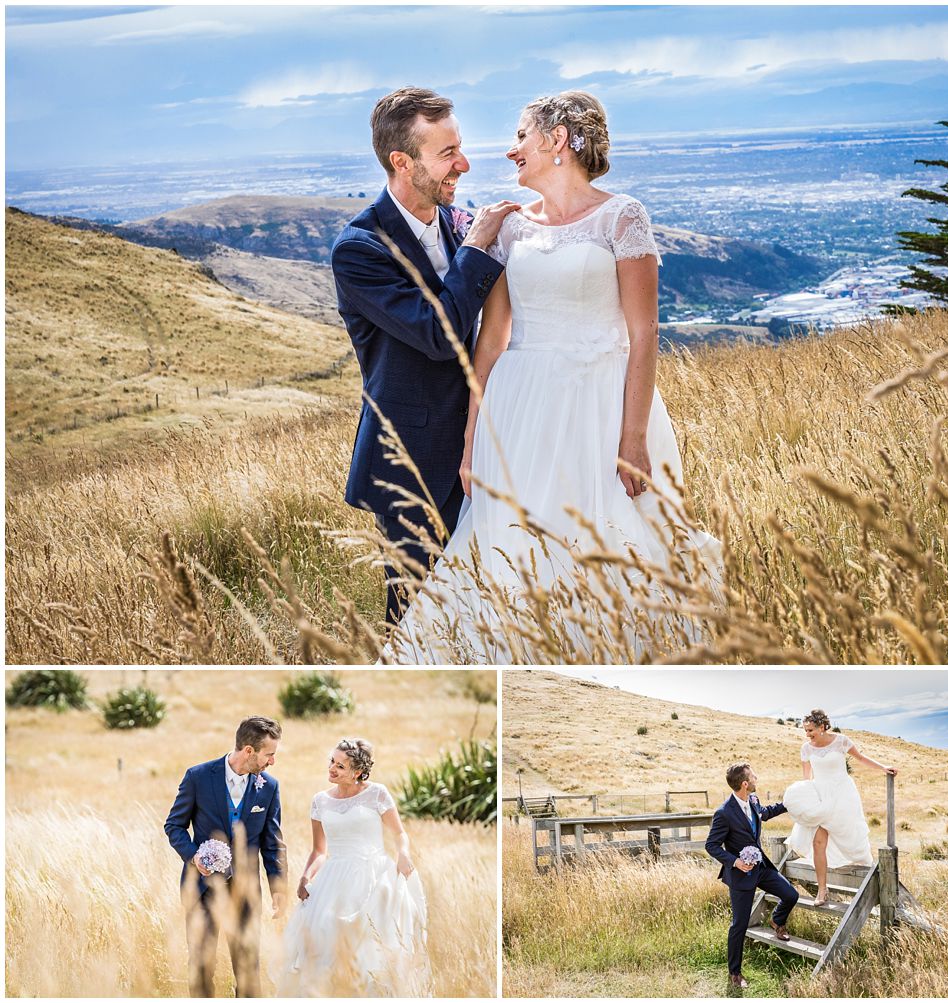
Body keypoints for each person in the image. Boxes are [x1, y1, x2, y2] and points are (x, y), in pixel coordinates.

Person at [384, 90, 722, 663]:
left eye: (521, 135)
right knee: (512, 540)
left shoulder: (623, 216)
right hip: (520, 412)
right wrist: (471, 442)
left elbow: (643, 334)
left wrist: (633, 436)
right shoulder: (512, 228)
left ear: (557, 139)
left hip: (601, 405)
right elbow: (491, 343)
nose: (511, 149)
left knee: (605, 535)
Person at [332, 87, 520, 625]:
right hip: (411, 463)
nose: (463, 164)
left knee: (490, 605)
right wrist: (479, 251)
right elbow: (437, 334)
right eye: (447, 154)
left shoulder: (458, 223)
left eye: (460, 147)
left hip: (487, 446)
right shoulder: (361, 250)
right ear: (401, 162)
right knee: (416, 619)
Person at [278, 738, 431, 997]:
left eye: (340, 766)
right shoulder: (320, 801)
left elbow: (399, 834)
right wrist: (305, 876)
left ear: (358, 772)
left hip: (373, 874)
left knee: (372, 943)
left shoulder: (377, 794)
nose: (332, 769)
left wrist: (403, 853)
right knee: (325, 939)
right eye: (331, 762)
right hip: (333, 879)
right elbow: (319, 850)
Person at [164, 716, 287, 997]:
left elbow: (273, 842)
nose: (272, 762)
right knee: (201, 965)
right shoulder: (198, 776)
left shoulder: (269, 786)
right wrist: (194, 856)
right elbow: (174, 825)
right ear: (248, 751)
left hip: (246, 892)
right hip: (202, 889)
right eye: (270, 755)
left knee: (247, 967)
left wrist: (278, 886)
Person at [783, 709, 897, 904]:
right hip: (822, 797)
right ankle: (822, 890)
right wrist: (805, 801)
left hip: (843, 795)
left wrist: (883, 768)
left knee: (850, 836)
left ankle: (870, 883)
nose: (807, 734)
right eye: (805, 730)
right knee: (818, 842)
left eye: (810, 730)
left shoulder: (841, 741)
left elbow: (861, 758)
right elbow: (806, 778)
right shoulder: (806, 749)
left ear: (822, 727)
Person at [705, 762, 799, 990]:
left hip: (762, 869)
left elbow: (764, 814)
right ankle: (735, 973)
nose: (757, 778)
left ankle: (777, 921)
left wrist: (788, 804)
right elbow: (711, 845)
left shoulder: (754, 801)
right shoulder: (724, 813)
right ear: (745, 784)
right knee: (739, 925)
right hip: (740, 876)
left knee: (791, 895)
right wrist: (735, 862)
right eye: (754, 776)